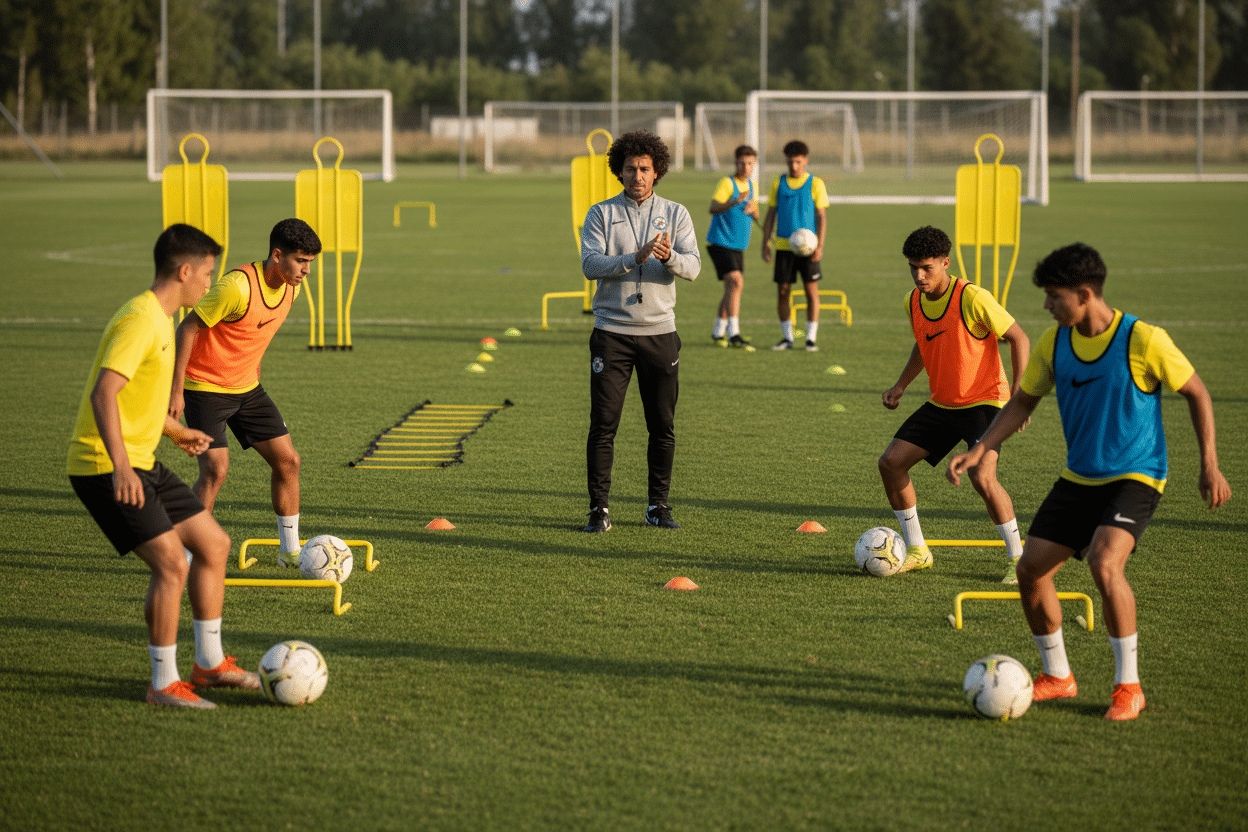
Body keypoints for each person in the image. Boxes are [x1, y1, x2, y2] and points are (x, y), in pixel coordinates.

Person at [948, 242, 1231, 720]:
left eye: (1054, 296)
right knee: (1030, 571)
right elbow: (1023, 402)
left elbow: (1197, 393)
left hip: (1137, 476)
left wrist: (1210, 465)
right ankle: (1058, 676)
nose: (1046, 306)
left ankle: (1128, 687)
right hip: (1079, 477)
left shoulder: (1143, 339)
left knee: (1104, 563)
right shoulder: (1054, 344)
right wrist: (982, 447)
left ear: (1084, 294)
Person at [68, 224, 260, 709]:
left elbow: (140, 399)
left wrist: (177, 433)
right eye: (208, 275)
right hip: (104, 465)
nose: (210, 286)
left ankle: (210, 664)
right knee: (172, 564)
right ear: (185, 270)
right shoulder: (141, 319)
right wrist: (121, 467)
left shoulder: (166, 318)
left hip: (141, 459)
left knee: (214, 544)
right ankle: (162, 684)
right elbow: (104, 392)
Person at [170, 218, 322, 568]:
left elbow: (252, 336)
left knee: (289, 462)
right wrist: (177, 391)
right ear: (277, 255)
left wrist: (248, 371)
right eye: (300, 261)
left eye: (310, 263)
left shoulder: (291, 288)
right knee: (215, 470)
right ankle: (188, 558)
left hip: (247, 389)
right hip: (204, 388)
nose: (306, 271)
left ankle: (289, 553)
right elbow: (188, 327)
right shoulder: (236, 287)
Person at [879, 226, 1031, 578]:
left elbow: (1019, 338)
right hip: (943, 404)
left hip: (986, 403)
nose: (919, 275)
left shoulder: (972, 298)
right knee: (891, 463)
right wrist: (902, 384)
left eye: (927, 268)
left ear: (945, 263)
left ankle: (1017, 559)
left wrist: (1019, 399)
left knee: (981, 475)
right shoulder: (913, 301)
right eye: (913, 267)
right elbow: (925, 340)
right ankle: (917, 550)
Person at [580, 130, 701, 533]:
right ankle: (599, 510)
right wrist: (635, 257)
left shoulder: (677, 213)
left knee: (662, 426)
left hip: (659, 333)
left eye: (645, 168)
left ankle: (658, 507)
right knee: (604, 425)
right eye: (630, 168)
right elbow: (590, 265)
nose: (638, 175)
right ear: (619, 171)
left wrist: (669, 259)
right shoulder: (601, 213)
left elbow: (694, 268)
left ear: (657, 172)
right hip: (611, 333)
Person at [761, 140, 829, 352]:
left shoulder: (816, 183)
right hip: (783, 246)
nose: (794, 166)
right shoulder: (778, 183)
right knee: (783, 291)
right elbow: (771, 213)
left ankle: (810, 338)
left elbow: (821, 217)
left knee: (811, 292)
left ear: (805, 160)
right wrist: (766, 242)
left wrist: (820, 245)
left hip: (808, 248)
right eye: (790, 162)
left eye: (798, 162)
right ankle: (787, 338)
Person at [707, 145, 760, 351]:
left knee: (731, 288)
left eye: (749, 163)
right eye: (741, 163)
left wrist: (753, 210)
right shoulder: (727, 183)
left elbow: (754, 213)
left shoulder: (753, 186)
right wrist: (733, 201)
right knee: (737, 282)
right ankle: (734, 333)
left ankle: (718, 331)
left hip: (738, 245)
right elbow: (713, 207)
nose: (745, 167)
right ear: (735, 162)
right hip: (721, 242)